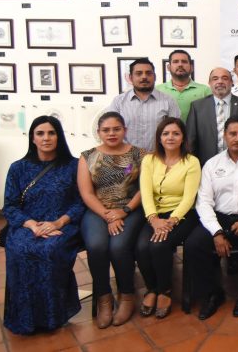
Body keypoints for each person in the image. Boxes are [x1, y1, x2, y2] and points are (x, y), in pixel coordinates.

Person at [184, 116, 238, 319]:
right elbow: (204, 202)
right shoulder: (211, 164)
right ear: (225, 136)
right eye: (233, 134)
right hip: (219, 218)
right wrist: (216, 232)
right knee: (193, 245)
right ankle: (212, 293)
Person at [2, 116, 84, 335]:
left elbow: (81, 202)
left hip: (63, 224)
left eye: (51, 133)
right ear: (32, 138)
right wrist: (31, 225)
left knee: (49, 249)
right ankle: (23, 318)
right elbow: (9, 206)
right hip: (27, 224)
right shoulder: (18, 168)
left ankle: (52, 316)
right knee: (20, 250)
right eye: (40, 133)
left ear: (59, 136)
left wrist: (58, 222)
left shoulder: (75, 166)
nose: (46, 138)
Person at [77, 112, 148, 328]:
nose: (111, 133)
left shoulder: (140, 154)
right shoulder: (87, 156)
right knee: (97, 246)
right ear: (98, 132)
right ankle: (104, 298)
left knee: (118, 246)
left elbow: (145, 188)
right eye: (106, 130)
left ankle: (127, 296)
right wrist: (108, 215)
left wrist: (123, 211)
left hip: (131, 209)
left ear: (124, 130)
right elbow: (87, 193)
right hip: (98, 210)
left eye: (116, 129)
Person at [136, 117, 201, 319]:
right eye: (165, 133)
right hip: (153, 214)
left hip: (181, 215)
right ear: (159, 138)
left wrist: (171, 221)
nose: (170, 137)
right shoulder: (149, 160)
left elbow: (189, 198)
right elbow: (145, 192)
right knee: (141, 247)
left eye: (175, 133)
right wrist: (154, 219)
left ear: (183, 138)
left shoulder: (192, 162)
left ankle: (164, 291)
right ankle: (152, 289)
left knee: (159, 246)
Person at [106, 58, 180, 151]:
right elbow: (110, 131)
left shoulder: (168, 101)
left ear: (155, 77)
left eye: (148, 73)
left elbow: (177, 132)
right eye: (139, 73)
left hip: (158, 159)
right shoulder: (118, 102)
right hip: (126, 159)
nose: (144, 77)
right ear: (130, 77)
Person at [186, 67, 238, 165]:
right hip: (206, 164)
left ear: (232, 82)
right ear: (209, 83)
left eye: (225, 78)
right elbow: (190, 140)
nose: (220, 82)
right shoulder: (197, 107)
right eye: (215, 79)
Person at [155, 50, 212, 122]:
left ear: (191, 67)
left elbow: (211, 118)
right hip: (168, 133)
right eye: (175, 61)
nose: (180, 65)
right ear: (168, 67)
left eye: (184, 62)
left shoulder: (205, 91)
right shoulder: (157, 90)